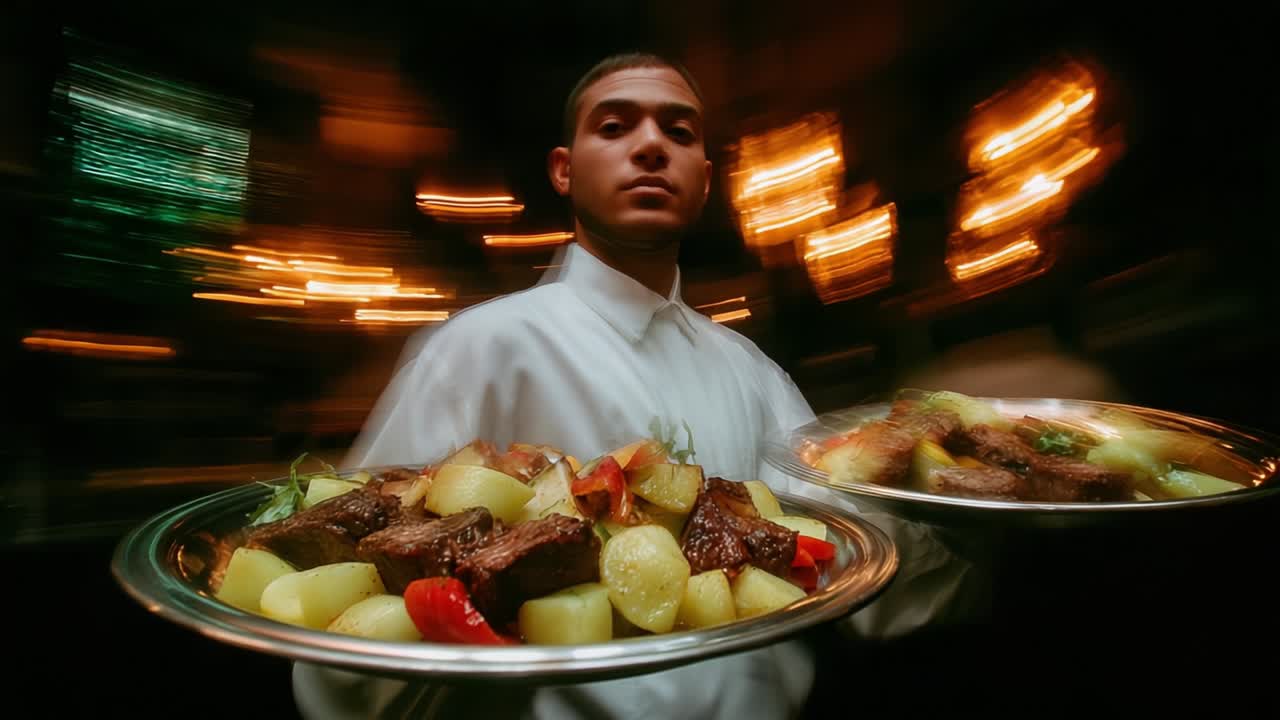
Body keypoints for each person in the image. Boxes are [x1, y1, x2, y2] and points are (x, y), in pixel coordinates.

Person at [293, 52, 968, 719]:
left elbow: (859, 567)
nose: (650, 145)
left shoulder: (752, 371)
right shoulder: (482, 347)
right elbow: (353, 608)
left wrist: (969, 508)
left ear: (705, 178)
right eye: (615, 127)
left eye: (678, 131)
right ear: (564, 170)